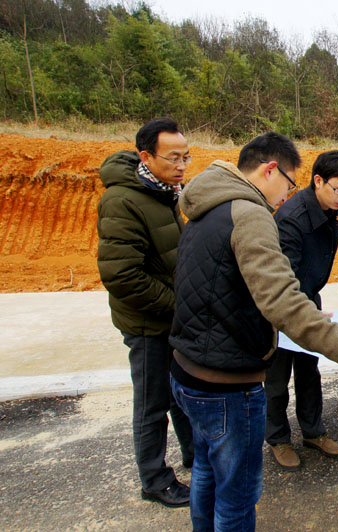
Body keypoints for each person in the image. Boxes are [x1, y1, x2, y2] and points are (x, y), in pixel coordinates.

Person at [169, 132, 338, 532]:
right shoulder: (249, 214)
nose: (286, 195)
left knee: (207, 473)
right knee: (236, 500)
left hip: (188, 370)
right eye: (289, 183)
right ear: (270, 170)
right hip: (227, 381)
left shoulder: (208, 204)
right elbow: (281, 299)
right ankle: (280, 440)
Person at [96, 117, 195, 508]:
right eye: (173, 157)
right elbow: (122, 276)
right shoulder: (122, 200)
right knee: (152, 404)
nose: (182, 165)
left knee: (181, 394)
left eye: (186, 156)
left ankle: (195, 455)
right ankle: (154, 480)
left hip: (170, 318)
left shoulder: (164, 192)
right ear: (146, 157)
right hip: (147, 324)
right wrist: (178, 306)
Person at [265, 150, 338, 470]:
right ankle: (278, 439)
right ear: (318, 181)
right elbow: (284, 277)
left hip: (308, 300)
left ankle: (313, 432)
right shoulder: (291, 218)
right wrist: (306, 309)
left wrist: (312, 306)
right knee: (276, 380)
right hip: (282, 306)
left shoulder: (328, 211)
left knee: (308, 371)